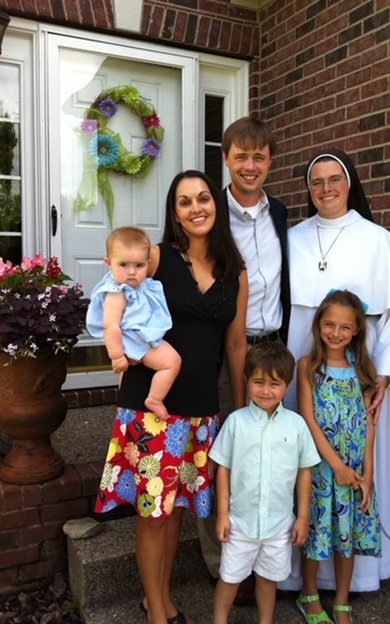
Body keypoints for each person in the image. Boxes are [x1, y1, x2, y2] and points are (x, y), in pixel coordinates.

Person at [95, 170, 248, 624]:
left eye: (203, 198)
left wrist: (238, 411)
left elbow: (236, 346)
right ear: (174, 213)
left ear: (215, 206)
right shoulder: (157, 257)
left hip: (201, 409)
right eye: (184, 202)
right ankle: (157, 611)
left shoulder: (234, 273)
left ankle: (156, 598)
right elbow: (115, 298)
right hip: (152, 407)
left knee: (176, 508)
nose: (196, 207)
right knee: (154, 514)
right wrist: (120, 352)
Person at [280, 149, 390, 593]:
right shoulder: (291, 237)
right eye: (316, 181)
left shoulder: (380, 240)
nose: (325, 189)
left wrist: (385, 375)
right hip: (302, 356)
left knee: (360, 458)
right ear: (308, 189)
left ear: (350, 182)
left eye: (334, 179)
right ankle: (298, 576)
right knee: (303, 457)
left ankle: (356, 576)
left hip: (362, 366)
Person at [198, 116, 291, 600]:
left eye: (259, 157)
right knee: (225, 447)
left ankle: (267, 560)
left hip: (273, 349)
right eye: (241, 156)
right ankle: (222, 566)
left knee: (269, 455)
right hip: (225, 350)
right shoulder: (210, 213)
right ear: (226, 159)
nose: (250, 166)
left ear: (270, 162)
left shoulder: (280, 214)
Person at [210, 342, 319, 624]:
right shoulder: (235, 422)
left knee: (269, 580)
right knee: (230, 578)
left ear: (288, 384)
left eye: (274, 383)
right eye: (258, 382)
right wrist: (222, 515)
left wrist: (302, 517)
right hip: (239, 523)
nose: (266, 390)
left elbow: (305, 472)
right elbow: (223, 469)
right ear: (247, 380)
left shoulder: (296, 426)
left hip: (278, 524)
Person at [297, 290, 381, 624]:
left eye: (345, 327)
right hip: (322, 468)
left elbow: (370, 426)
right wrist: (336, 466)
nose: (336, 333)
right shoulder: (308, 367)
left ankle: (343, 601)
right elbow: (309, 419)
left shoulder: (363, 370)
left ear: (357, 330)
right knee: (318, 531)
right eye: (329, 324)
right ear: (318, 325)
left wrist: (368, 474)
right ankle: (310, 594)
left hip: (356, 470)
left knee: (350, 532)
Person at [86, 226, 181, 419]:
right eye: (124, 265)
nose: (132, 272)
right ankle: (155, 399)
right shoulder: (117, 292)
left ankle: (129, 396)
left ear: (148, 263)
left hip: (139, 337)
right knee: (172, 362)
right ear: (109, 263)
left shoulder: (141, 286)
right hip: (134, 341)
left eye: (139, 266)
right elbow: (110, 326)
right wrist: (117, 356)